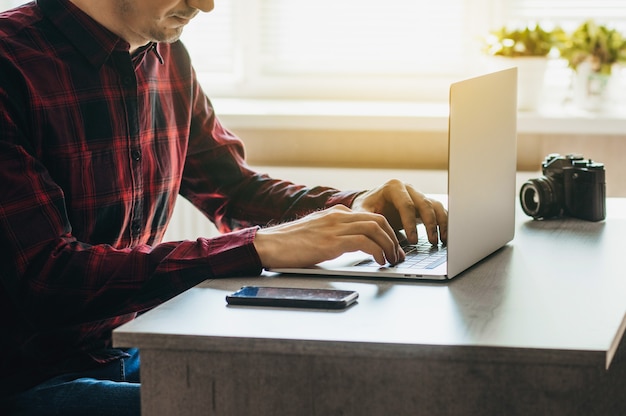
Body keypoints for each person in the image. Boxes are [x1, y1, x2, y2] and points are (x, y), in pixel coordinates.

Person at [0, 0, 447, 414]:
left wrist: (351, 206)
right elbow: (46, 277)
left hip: (119, 345)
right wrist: (257, 247)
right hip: (26, 376)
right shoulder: (9, 64)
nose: (208, 4)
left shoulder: (166, 53)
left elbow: (230, 188)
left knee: (320, 380)